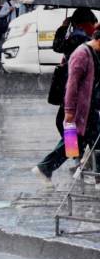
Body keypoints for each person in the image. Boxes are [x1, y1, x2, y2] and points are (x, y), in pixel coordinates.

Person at [33, 29, 100, 188]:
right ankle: (44, 167)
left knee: (86, 142)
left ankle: (46, 168)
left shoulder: (94, 54)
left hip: (88, 108)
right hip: (77, 109)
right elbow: (71, 85)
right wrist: (69, 111)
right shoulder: (82, 54)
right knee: (72, 144)